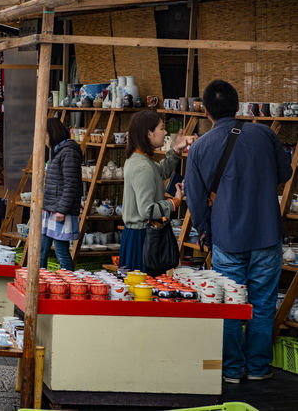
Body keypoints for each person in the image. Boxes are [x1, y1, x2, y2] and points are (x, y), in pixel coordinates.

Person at [185, 80, 293, 384]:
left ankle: (231, 369)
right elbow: (285, 173)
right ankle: (258, 367)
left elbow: (195, 200)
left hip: (227, 237)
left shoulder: (201, 147)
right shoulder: (264, 134)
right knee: (261, 304)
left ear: (206, 112)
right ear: (238, 105)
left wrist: (206, 230)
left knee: (231, 304)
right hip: (267, 234)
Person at [120, 110, 195, 274]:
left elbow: (160, 172)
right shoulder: (142, 166)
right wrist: (174, 202)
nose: (165, 132)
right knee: (144, 291)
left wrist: (176, 150)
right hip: (142, 238)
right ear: (149, 133)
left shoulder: (140, 159)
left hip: (137, 235)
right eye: (162, 128)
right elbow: (147, 210)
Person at [41, 118, 82, 270]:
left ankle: (70, 282)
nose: (44, 140)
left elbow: (71, 184)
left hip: (59, 210)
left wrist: (62, 209)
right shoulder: (57, 151)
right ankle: (40, 281)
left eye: (44, 135)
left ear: (52, 134)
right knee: (41, 250)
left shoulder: (68, 152)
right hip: (51, 207)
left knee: (61, 251)